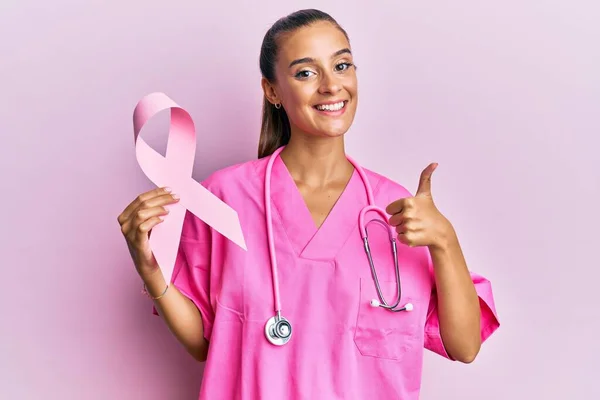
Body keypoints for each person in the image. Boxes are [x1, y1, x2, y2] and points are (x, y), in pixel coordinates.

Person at [118, 8, 499, 400]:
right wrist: (150, 268)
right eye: (306, 72)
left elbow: (465, 346)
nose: (331, 86)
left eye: (342, 65)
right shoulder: (224, 200)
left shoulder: (395, 212)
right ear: (272, 91)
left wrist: (444, 241)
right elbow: (202, 343)